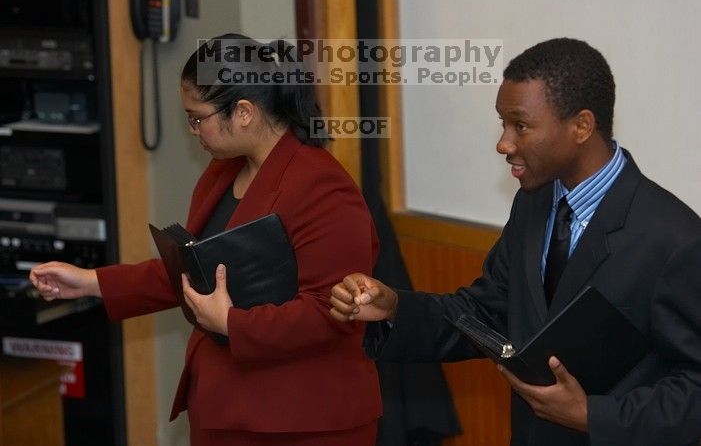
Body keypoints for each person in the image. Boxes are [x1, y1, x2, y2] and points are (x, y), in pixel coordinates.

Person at [329, 38, 701, 446]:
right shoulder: (534, 203)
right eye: (502, 124)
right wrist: (395, 308)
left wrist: (593, 416)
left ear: (581, 126)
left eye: (520, 126)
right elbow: (487, 312)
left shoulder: (675, 239)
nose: (503, 143)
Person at [30, 33, 382, 446]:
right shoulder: (222, 172)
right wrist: (90, 282)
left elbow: (332, 311)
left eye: (198, 118)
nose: (192, 130)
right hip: (225, 402)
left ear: (244, 112)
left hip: (302, 418)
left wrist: (232, 323)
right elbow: (193, 272)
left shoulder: (322, 187)